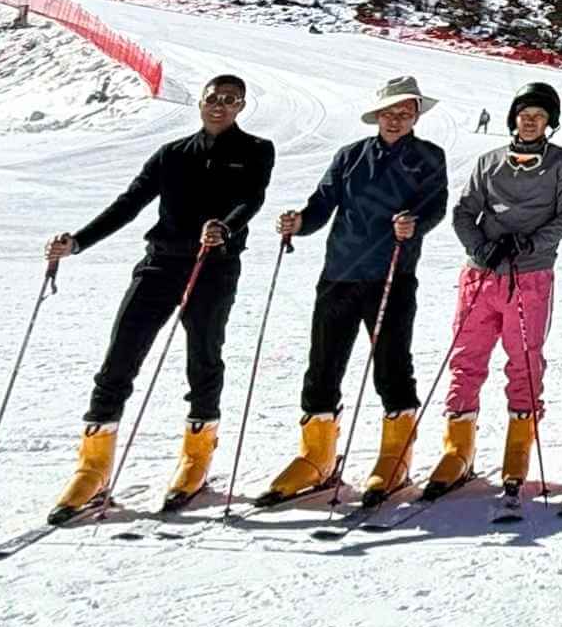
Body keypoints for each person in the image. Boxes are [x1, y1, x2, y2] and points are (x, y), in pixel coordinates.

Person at [45, 73, 276, 521]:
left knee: (203, 358)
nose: (220, 105)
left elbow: (252, 199)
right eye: (213, 97)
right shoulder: (172, 154)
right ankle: (92, 470)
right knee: (119, 358)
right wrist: (78, 242)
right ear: (201, 102)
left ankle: (195, 460)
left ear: (241, 106)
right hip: (161, 264)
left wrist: (225, 227)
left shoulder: (256, 150)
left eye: (230, 100)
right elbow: (129, 203)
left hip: (213, 266)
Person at [262, 76, 450, 506]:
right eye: (389, 112)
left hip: (392, 274)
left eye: (405, 113)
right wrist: (299, 223)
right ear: (377, 115)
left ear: (416, 116)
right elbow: (322, 204)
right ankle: (316, 457)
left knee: (391, 364)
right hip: (340, 273)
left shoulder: (428, 157)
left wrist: (415, 224)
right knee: (323, 365)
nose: (395, 120)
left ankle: (395, 457)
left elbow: (435, 205)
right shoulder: (350, 156)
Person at [423, 81, 562, 502]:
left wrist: (530, 243)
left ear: (550, 123)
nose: (530, 121)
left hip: (529, 276)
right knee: (466, 356)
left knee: (525, 359)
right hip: (482, 274)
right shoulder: (489, 161)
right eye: (524, 114)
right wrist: (479, 247)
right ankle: (458, 446)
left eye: (539, 116)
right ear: (513, 118)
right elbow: (464, 211)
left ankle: (518, 445)